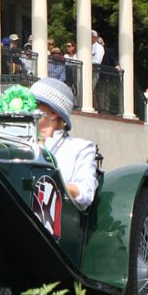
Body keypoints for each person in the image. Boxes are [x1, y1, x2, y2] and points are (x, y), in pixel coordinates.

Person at [31, 77, 98, 209]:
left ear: (53, 113)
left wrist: (51, 184)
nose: (28, 107)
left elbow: (85, 191)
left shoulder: (80, 147)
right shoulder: (19, 140)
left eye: (35, 103)